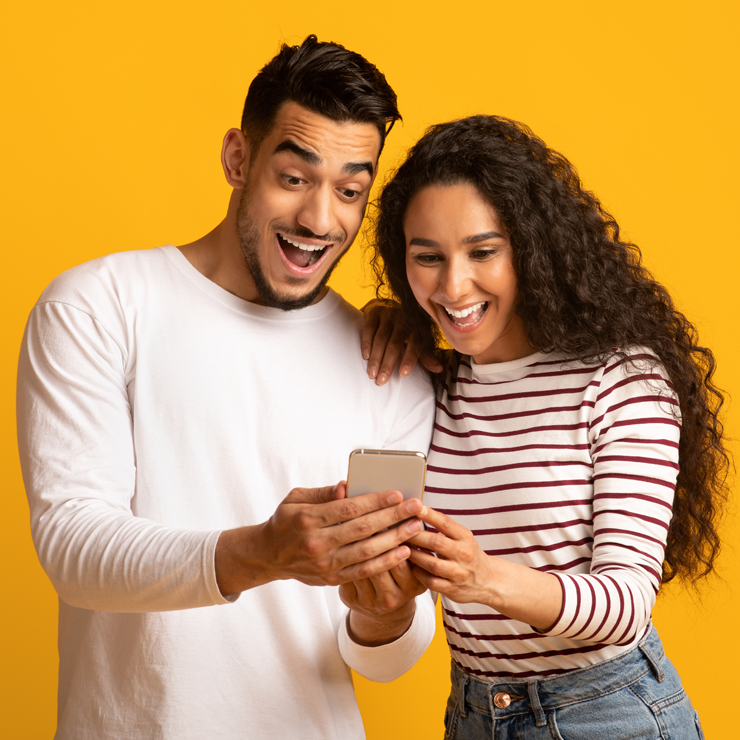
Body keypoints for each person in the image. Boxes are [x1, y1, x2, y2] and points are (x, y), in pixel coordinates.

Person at [16, 36, 437, 740]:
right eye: (295, 177)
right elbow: (74, 549)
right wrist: (263, 552)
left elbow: (391, 657)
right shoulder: (99, 306)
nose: (320, 219)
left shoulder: (386, 366)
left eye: (349, 190)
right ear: (238, 158)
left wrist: (388, 612)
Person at [364, 115, 728, 738]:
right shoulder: (435, 383)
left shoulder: (619, 379)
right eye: (428, 257)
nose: (453, 285)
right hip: (474, 711)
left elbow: (625, 604)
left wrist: (482, 578)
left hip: (607, 713)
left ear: (530, 247)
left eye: (483, 252)